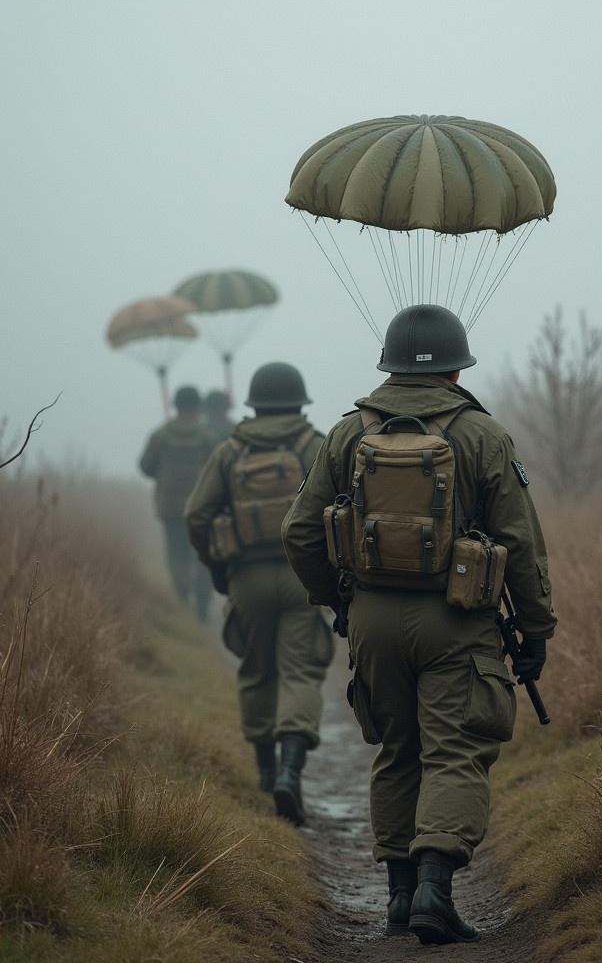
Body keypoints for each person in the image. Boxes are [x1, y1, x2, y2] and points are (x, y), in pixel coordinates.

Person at [282, 305, 557, 944]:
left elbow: (300, 530)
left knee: (397, 750)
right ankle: (437, 891)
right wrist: (536, 629)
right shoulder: (483, 435)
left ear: (388, 365)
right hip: (459, 618)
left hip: (373, 618)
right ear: (458, 368)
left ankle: (400, 901)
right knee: (456, 749)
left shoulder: (347, 432)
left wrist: (339, 602)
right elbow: (520, 539)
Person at [185, 362, 334, 823]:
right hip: (302, 578)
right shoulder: (315, 445)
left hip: (246, 577)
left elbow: (196, 514)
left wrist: (217, 568)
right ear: (300, 401)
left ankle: (267, 774)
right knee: (300, 672)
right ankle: (292, 773)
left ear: (253, 403)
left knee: (256, 670)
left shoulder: (230, 450)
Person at [139, 385, 215, 620]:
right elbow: (218, 468)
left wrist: (162, 475)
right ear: (198, 407)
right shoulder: (207, 436)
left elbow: (145, 466)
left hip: (170, 507)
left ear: (176, 405)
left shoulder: (161, 435)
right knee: (202, 556)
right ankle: (202, 603)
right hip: (201, 506)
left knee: (176, 553)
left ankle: (182, 593)